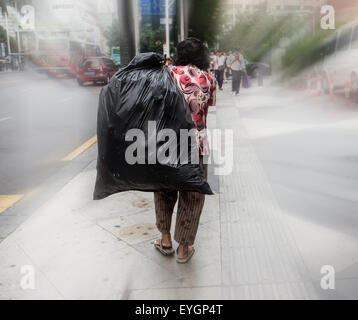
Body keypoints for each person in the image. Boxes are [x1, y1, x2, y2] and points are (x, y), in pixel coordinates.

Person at [154, 37, 216, 264]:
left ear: (178, 54)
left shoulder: (166, 74)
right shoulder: (208, 78)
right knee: (193, 195)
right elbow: (208, 106)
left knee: (164, 190)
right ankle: (184, 249)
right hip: (196, 144)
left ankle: (165, 240)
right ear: (203, 56)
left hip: (166, 143)